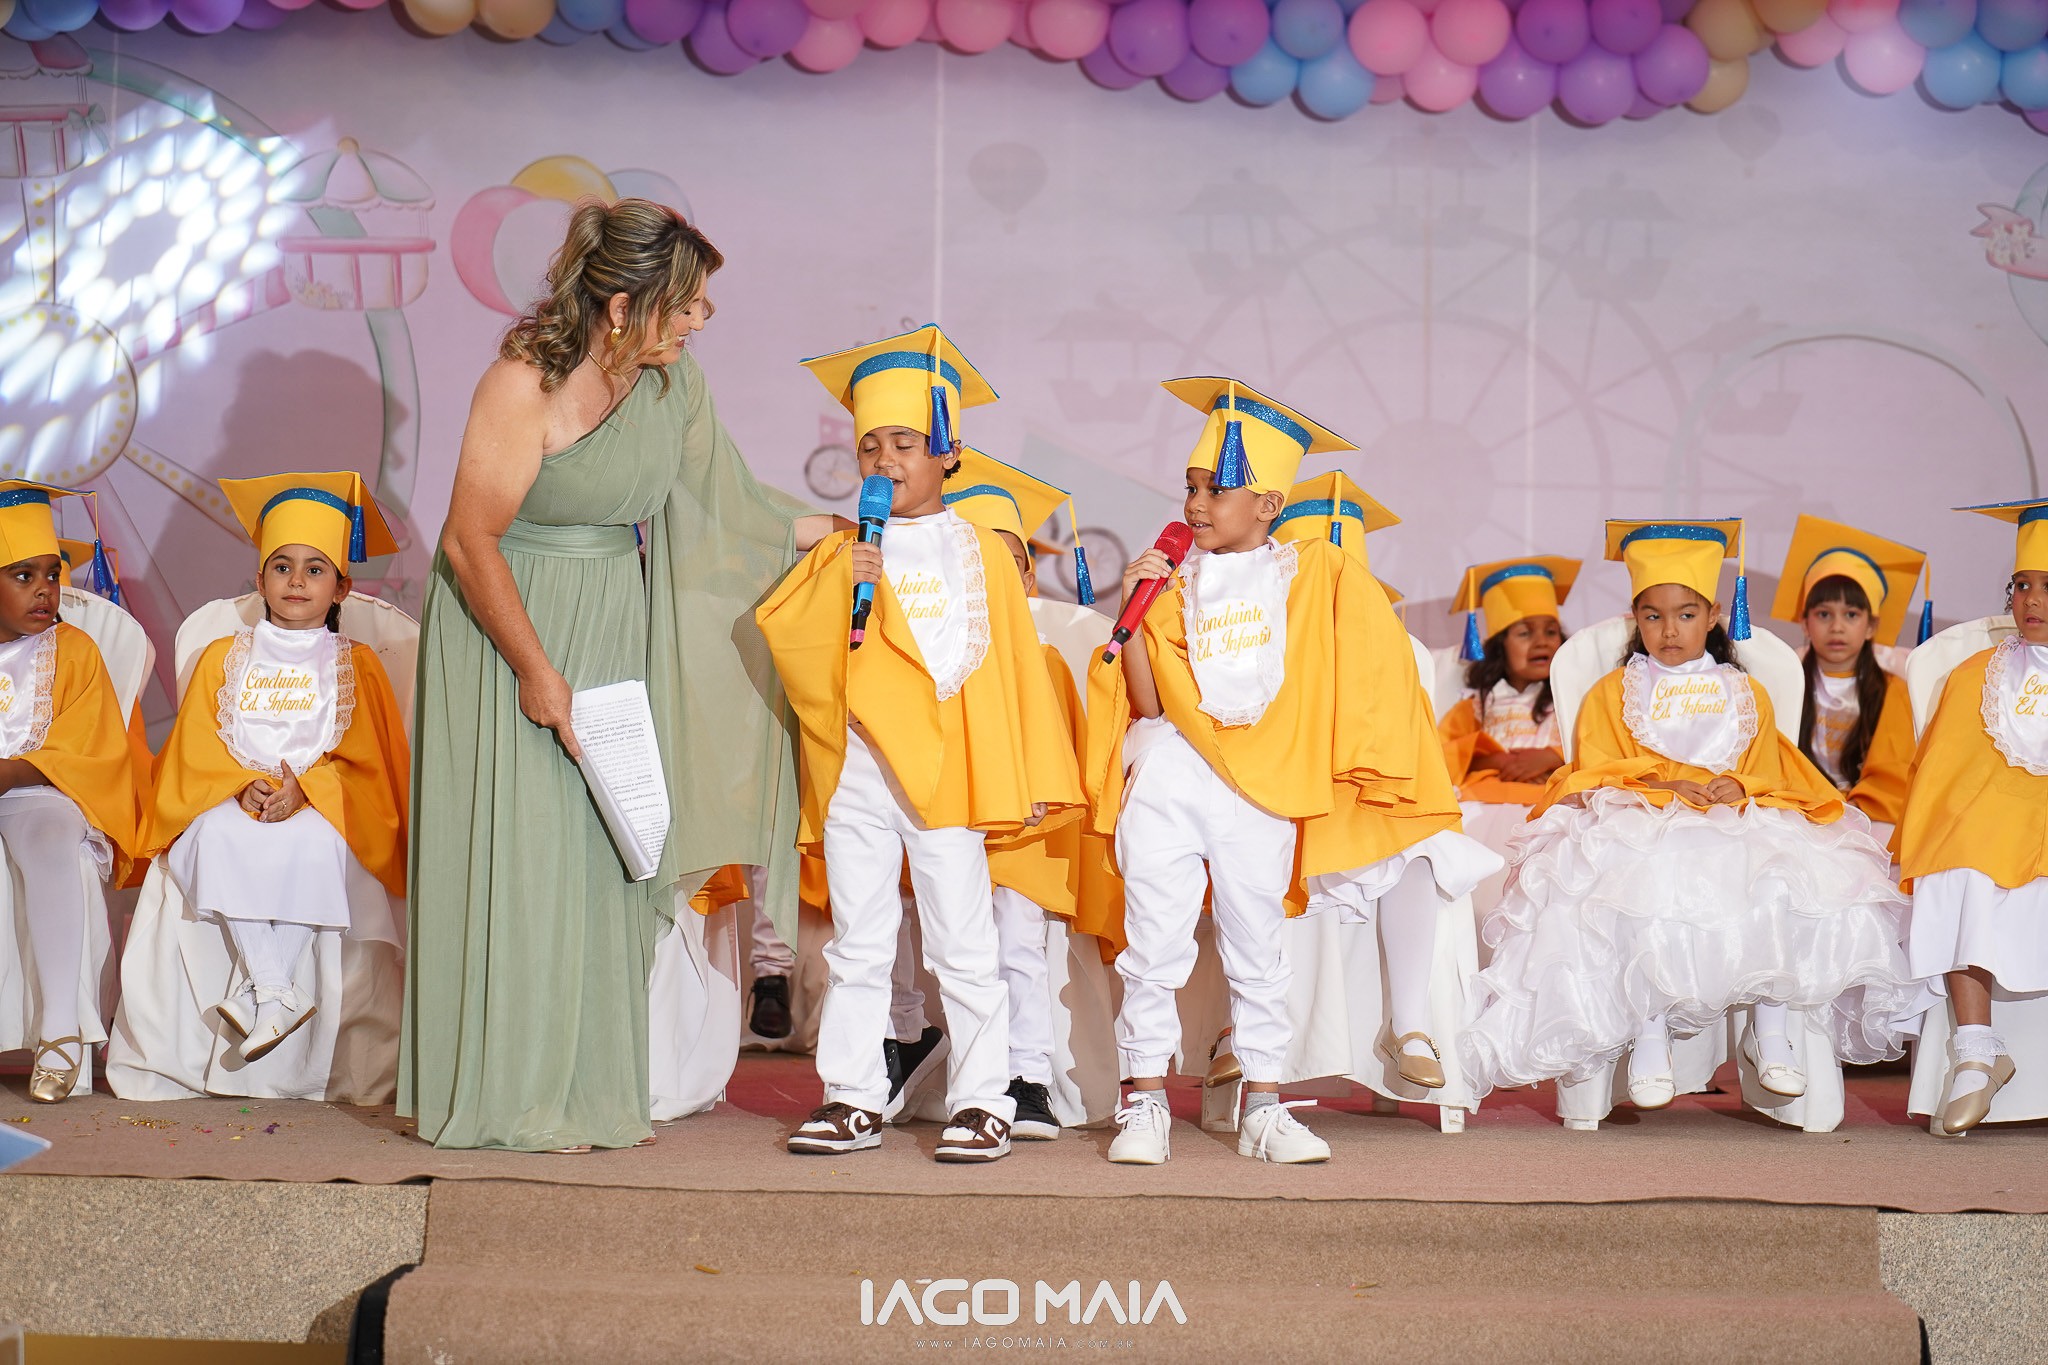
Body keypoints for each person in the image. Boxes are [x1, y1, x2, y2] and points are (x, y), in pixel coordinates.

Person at [402, 199, 835, 1153]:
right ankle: (509, 1094)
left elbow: (733, 506)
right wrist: (536, 671)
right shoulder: (522, 382)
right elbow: (470, 541)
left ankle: (584, 1088)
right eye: (688, 302)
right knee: (525, 853)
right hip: (508, 627)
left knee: (603, 858)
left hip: (610, 622)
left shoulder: (673, 384)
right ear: (621, 304)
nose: (702, 318)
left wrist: (843, 537)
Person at [1085, 381, 1470, 1165]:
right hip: (1173, 772)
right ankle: (1145, 1104)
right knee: (1153, 942)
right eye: (1191, 487)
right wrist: (1134, 609)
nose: (1196, 504)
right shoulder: (1172, 585)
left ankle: (1264, 1108)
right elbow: (1148, 702)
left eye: (1216, 489)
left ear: (1268, 503)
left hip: (1262, 784)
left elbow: (1363, 659)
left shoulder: (1310, 575)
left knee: (1258, 948)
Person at [1462, 519, 1924, 1115]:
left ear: (1712, 616)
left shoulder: (1745, 693)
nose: (1669, 629)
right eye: (1652, 615)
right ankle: (1650, 1036)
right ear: (1635, 619)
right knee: (1643, 883)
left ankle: (1771, 1032)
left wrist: (1741, 784)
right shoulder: (1613, 692)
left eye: (1685, 614)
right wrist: (1663, 784)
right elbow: (1597, 768)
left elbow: (1774, 769)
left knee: (1780, 878)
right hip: (1644, 817)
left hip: (1738, 818)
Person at [759, 327, 1083, 1164]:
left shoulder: (981, 550)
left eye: (905, 443)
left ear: (948, 450)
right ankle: (853, 1095)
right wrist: (838, 587)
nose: (886, 460)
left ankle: (984, 1101)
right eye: (871, 446)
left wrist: (1027, 772)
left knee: (963, 944)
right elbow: (803, 660)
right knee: (859, 942)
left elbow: (1013, 672)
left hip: (946, 771)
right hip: (860, 767)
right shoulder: (845, 552)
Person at [117, 475, 410, 1094]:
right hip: (236, 798)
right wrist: (236, 785)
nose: (296, 581)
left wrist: (307, 789)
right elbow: (195, 748)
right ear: (260, 580)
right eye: (282, 567)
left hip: (321, 804)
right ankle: (277, 991)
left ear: (342, 587)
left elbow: (370, 762)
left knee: (318, 843)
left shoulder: (356, 666)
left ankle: (265, 991)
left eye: (315, 569)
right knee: (212, 835)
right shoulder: (224, 656)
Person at [941, 446, 1111, 1140]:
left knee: (1017, 941)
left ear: (1029, 573)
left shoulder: (1042, 655)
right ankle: (961, 1071)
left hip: (1025, 831)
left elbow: (1055, 746)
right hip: (951, 822)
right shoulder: (938, 653)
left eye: (1007, 561)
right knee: (946, 947)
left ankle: (1027, 1076)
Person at [1895, 499, 2048, 1135]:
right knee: (1958, 863)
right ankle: (1978, 1053)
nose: (2033, 601)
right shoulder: (1980, 674)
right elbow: (1947, 775)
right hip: (1999, 817)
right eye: (2022, 585)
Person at [0, 482, 145, 1103]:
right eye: (23, 575)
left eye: (53, 575)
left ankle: (60, 1027)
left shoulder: (74, 650)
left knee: (54, 835)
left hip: (34, 790)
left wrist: (10, 773)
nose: (44, 590)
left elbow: (89, 746)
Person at [1435, 556, 1579, 936]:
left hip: (1545, 801)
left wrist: (1551, 757)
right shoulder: (1477, 705)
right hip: (1485, 801)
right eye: (1525, 633)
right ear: (1500, 646)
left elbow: (1596, 748)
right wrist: (1491, 755)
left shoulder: (1571, 701)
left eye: (1551, 631)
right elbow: (1443, 752)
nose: (1542, 641)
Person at [1769, 515, 1921, 839]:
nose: (1837, 627)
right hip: (1799, 805)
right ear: (1805, 622)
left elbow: (1892, 775)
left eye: (1851, 615)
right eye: (1824, 614)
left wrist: (1847, 811)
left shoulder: (1893, 691)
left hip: (1867, 816)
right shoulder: (1786, 683)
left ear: (1871, 626)